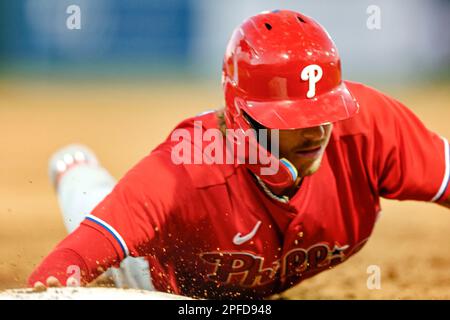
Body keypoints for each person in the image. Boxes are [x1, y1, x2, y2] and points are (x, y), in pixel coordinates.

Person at [28, 10, 450, 300]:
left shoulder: (370, 127)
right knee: (88, 196)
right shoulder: (181, 171)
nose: (319, 129)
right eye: (295, 117)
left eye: (325, 110)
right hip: (155, 279)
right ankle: (74, 168)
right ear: (243, 117)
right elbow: (64, 265)